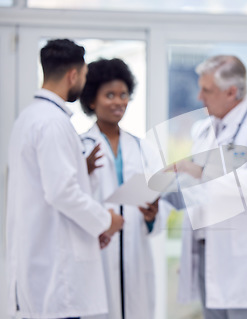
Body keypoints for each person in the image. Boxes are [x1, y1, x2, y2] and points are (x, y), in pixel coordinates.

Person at [6, 39, 124, 319]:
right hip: (55, 277)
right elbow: (62, 193)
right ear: (73, 75)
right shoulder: (53, 123)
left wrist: (92, 229)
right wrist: (106, 221)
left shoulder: (29, 117)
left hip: (41, 263)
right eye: (84, 76)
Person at [174, 55, 247, 319]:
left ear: (232, 91)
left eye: (207, 90)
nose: (200, 97)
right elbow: (197, 189)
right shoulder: (203, 130)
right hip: (207, 251)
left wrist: (203, 171)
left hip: (246, 261)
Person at [79, 58, 167, 319]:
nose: (118, 101)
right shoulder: (80, 146)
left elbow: (156, 204)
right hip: (97, 251)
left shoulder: (142, 148)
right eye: (109, 95)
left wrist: (152, 216)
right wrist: (82, 170)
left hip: (135, 252)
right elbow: (69, 197)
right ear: (92, 101)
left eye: (123, 94)